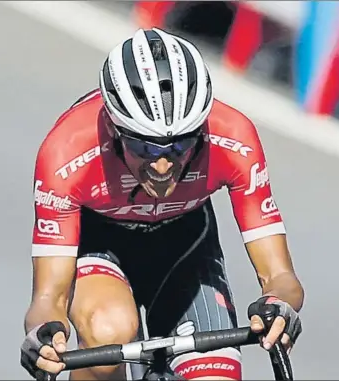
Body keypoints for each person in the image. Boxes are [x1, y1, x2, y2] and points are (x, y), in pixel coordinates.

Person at [20, 27, 304, 381]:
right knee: (108, 332)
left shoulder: (234, 138)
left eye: (180, 146)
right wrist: (45, 335)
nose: (162, 165)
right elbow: (49, 299)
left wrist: (279, 305)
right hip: (100, 241)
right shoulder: (66, 153)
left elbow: (280, 276)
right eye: (144, 147)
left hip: (183, 245)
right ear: (114, 129)